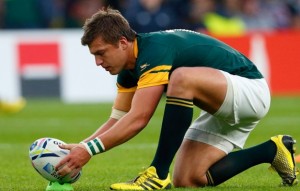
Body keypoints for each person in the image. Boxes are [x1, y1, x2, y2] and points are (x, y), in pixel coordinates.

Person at [55, 7, 298, 190]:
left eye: (100, 53)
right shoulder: (129, 70)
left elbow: (140, 118)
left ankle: (157, 174)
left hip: (250, 90)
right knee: (188, 179)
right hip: (221, 102)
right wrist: (81, 147)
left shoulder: (154, 50)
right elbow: (118, 120)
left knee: (180, 78)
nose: (97, 62)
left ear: (122, 42)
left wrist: (89, 151)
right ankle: (272, 150)